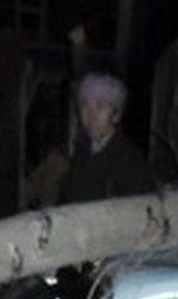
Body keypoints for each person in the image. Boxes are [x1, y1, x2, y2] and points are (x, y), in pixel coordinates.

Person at [59, 72, 156, 202]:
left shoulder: (130, 161)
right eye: (85, 106)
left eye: (100, 107)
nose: (91, 115)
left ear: (116, 115)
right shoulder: (80, 150)